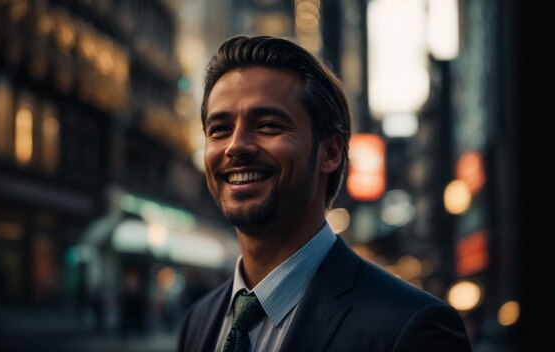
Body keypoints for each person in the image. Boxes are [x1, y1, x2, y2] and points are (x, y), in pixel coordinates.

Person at [178, 35, 471, 352]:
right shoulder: (198, 321)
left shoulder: (413, 328)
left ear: (330, 152)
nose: (236, 146)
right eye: (220, 129)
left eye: (268, 125)